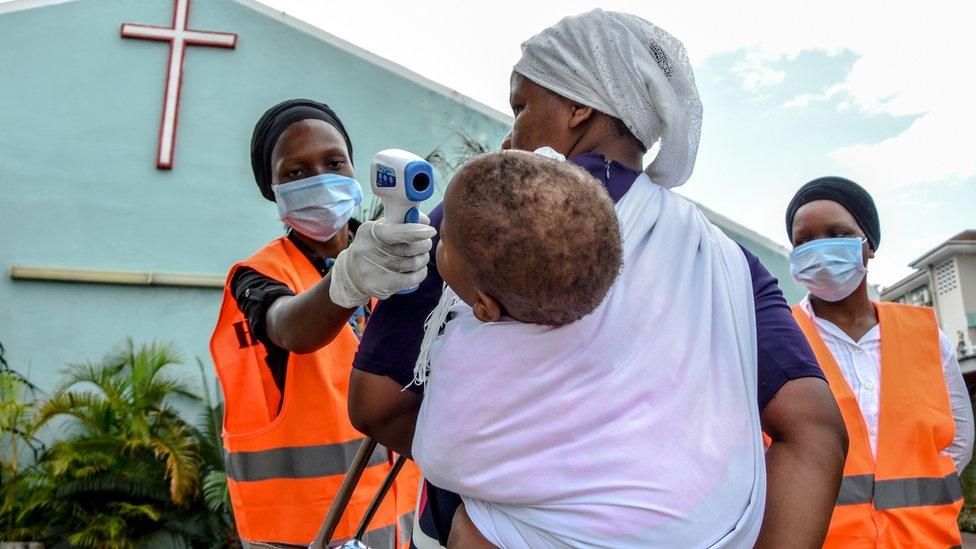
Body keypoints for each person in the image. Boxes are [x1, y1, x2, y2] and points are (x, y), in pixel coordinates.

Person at [348, 11, 848, 548]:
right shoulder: (723, 260)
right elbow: (815, 430)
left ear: (578, 105)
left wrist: (504, 483)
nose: (511, 131)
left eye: (522, 105)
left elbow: (377, 403)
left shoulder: (482, 218)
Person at [411, 150, 765, 547]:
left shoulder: (470, 363)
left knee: (469, 528)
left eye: (443, 241)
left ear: (485, 307)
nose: (438, 240)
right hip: (696, 523)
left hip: (584, 538)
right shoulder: (638, 321)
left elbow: (441, 456)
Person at [210, 99, 428, 547]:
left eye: (334, 162)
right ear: (271, 188)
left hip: (399, 528)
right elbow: (291, 328)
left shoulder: (393, 256)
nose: (320, 179)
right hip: (301, 536)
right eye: (296, 172)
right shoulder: (258, 277)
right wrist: (348, 279)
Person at [786, 176, 974, 548]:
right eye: (804, 241)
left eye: (837, 233)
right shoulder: (779, 338)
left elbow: (960, 439)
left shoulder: (925, 336)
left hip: (925, 539)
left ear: (868, 245)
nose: (819, 249)